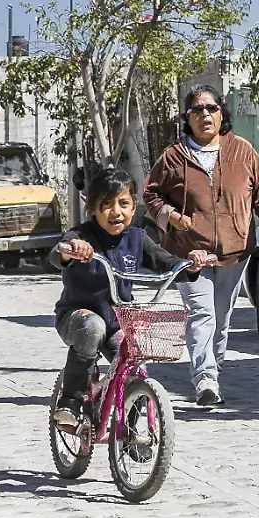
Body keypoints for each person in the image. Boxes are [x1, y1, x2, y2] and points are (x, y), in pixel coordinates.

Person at [143, 85, 259, 407]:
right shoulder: (173, 156)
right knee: (201, 313)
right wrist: (171, 216)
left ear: (222, 114)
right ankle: (205, 378)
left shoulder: (242, 151)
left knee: (220, 319)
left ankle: (213, 369)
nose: (205, 114)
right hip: (189, 252)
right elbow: (151, 193)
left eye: (211, 108)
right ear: (187, 117)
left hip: (235, 251)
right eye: (197, 109)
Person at [48, 168, 210, 427]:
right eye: (106, 204)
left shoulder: (137, 238)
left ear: (134, 207)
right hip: (77, 318)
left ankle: (130, 432)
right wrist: (71, 251)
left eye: (123, 204)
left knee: (135, 370)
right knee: (93, 327)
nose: (116, 212)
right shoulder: (81, 236)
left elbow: (166, 262)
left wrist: (190, 264)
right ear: (93, 209)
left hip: (116, 322)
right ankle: (70, 403)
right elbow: (58, 255)